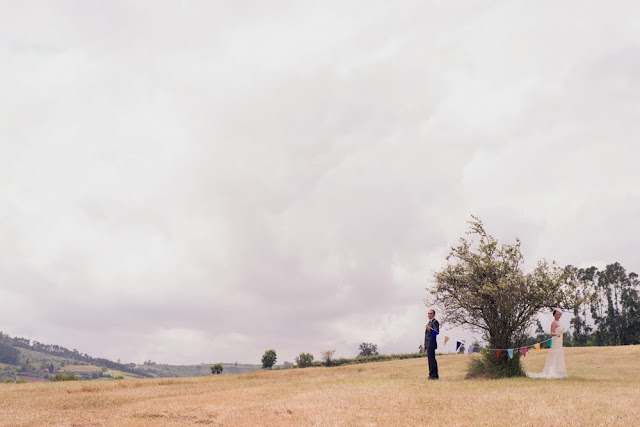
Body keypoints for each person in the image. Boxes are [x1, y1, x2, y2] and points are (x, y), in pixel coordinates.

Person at [526, 309, 568, 379]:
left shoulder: (559, 323)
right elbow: (551, 332)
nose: (559, 316)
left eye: (560, 314)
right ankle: (552, 371)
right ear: (554, 315)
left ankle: (559, 372)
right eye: (557, 314)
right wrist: (556, 334)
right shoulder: (554, 323)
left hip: (560, 341)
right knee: (554, 354)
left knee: (559, 354)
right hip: (555, 341)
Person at [422, 309, 439, 380]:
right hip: (428, 344)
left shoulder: (435, 322)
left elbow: (436, 332)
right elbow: (426, 336)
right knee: (430, 360)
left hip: (432, 344)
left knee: (432, 360)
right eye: (428, 313)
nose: (429, 315)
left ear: (434, 315)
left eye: (431, 313)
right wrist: (425, 345)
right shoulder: (429, 322)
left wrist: (430, 329)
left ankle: (433, 375)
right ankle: (433, 375)